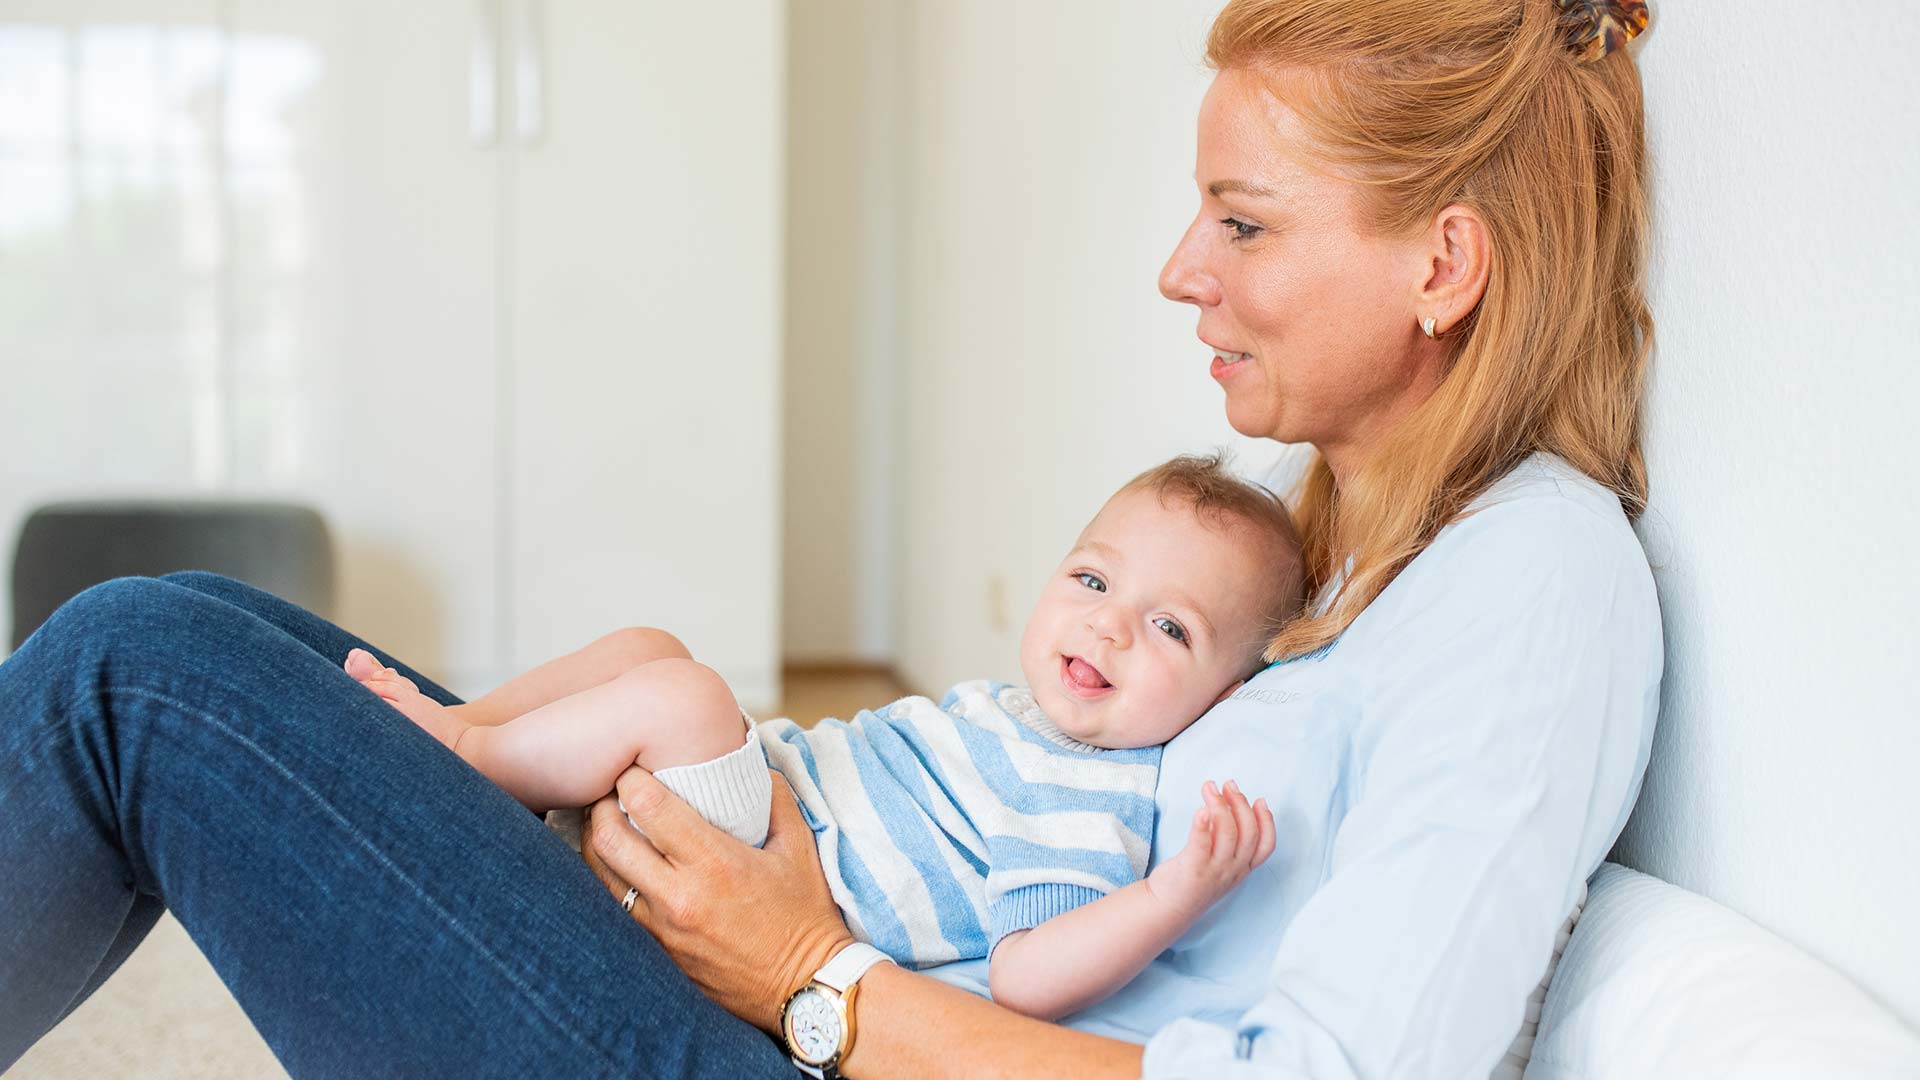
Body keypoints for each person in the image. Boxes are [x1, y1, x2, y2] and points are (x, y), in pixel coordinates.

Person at [0, 0, 1661, 1076]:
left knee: (134, 671)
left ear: (1443, 267)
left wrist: (814, 967)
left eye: (1241, 223)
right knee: (240, 635)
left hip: (800, 1044)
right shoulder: (1342, 549)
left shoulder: (1538, 581)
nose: (1178, 268)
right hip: (808, 975)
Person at [345, 454, 1302, 1021]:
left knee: (686, 697)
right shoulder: (1014, 712)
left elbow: (1028, 975)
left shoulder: (1090, 793)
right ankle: (469, 719)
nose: (1107, 627)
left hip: (755, 868)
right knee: (653, 648)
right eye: (1093, 582)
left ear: (1228, 692)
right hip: (766, 793)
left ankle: (464, 762)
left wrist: (1173, 895)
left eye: (1171, 628)